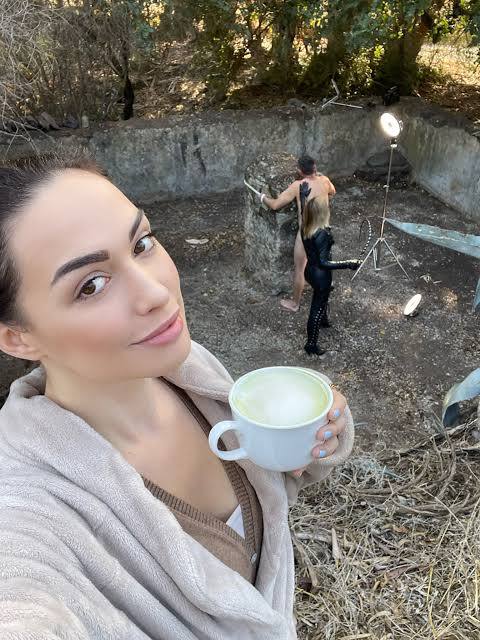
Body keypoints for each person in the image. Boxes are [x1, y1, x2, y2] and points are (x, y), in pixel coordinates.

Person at [0, 151, 354, 639]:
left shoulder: (189, 371)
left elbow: (269, 493)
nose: (157, 293)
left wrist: (315, 438)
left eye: (142, 243)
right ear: (17, 337)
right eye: (92, 285)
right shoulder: (26, 512)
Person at [261, 155, 336, 313]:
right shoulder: (325, 180)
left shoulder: (298, 185)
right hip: (324, 230)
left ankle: (295, 304)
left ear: (300, 171)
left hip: (307, 232)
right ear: (315, 167)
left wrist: (263, 198)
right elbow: (332, 192)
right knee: (323, 261)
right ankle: (325, 285)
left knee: (299, 269)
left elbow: (275, 205)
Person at [301, 193, 361, 356]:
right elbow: (324, 263)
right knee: (316, 308)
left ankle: (324, 320)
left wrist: (303, 197)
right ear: (321, 214)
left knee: (321, 300)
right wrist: (348, 263)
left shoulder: (305, 225)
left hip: (309, 271)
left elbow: (303, 211)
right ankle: (311, 344)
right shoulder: (322, 234)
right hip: (321, 276)